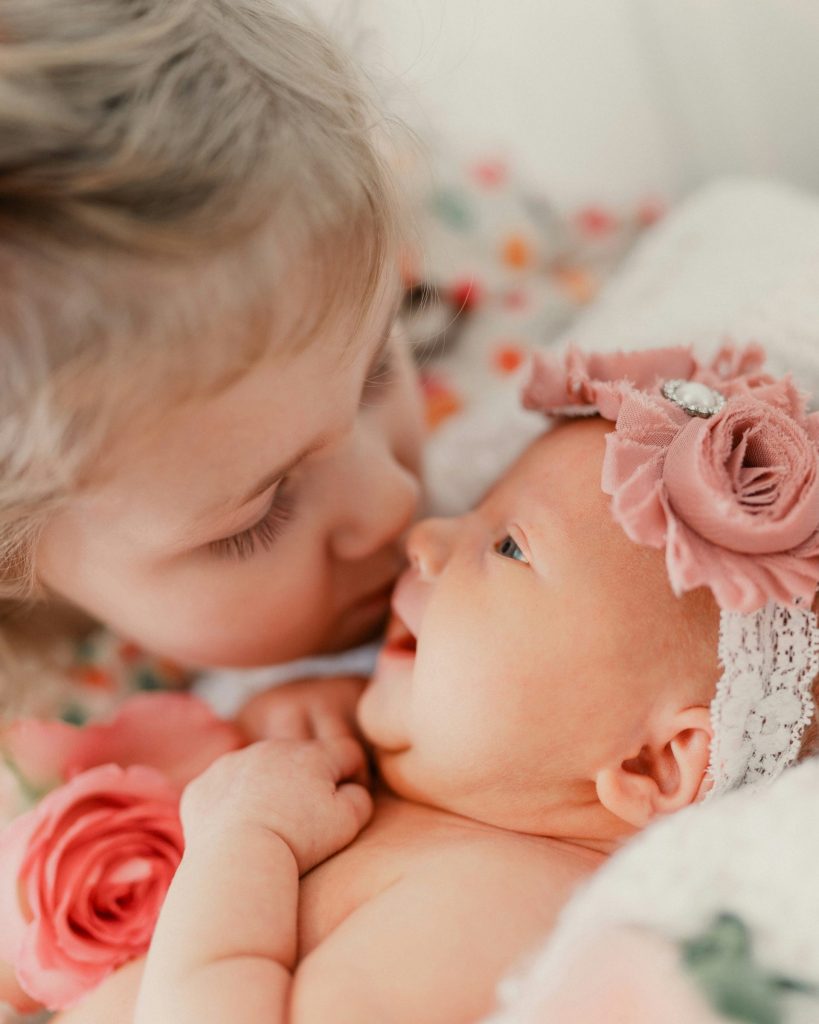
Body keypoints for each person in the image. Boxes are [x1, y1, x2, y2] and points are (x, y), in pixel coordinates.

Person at [123, 344, 819, 1024]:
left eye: (509, 545)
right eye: (479, 510)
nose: (424, 537)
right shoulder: (449, 809)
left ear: (649, 764)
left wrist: (245, 838)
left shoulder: (495, 899)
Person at [0, 0, 424, 716]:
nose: (394, 501)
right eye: (259, 518)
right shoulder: (45, 775)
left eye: (377, 368)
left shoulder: (498, 286)